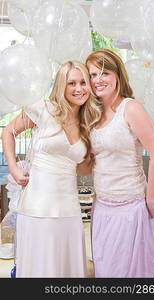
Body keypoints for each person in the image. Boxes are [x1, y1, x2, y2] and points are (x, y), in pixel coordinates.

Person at [2, 60, 101, 278]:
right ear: (61, 87)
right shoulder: (44, 109)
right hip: (37, 208)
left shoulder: (88, 123)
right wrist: (15, 169)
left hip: (70, 210)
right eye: (71, 83)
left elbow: (83, 170)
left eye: (83, 82)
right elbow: (7, 132)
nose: (79, 89)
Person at [81, 49, 154, 278]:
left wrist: (151, 200)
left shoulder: (131, 108)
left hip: (131, 209)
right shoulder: (93, 114)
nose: (98, 80)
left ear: (117, 74)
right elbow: (90, 163)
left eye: (104, 73)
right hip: (102, 209)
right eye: (92, 75)